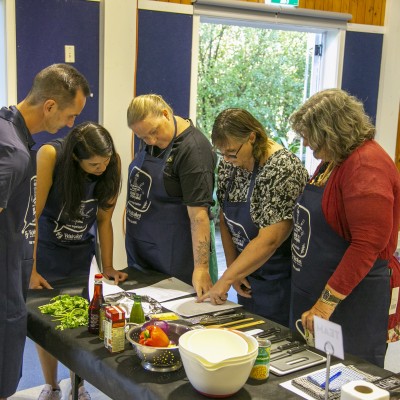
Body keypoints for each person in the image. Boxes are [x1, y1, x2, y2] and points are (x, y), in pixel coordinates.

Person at [289, 88, 400, 367]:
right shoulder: (334, 160)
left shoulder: (366, 165)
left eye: (309, 135)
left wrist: (324, 305)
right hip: (318, 290)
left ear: (331, 131)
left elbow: (367, 245)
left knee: (347, 374)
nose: (306, 143)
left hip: (353, 301)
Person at [0, 63, 90, 400]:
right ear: (49, 105)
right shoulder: (14, 153)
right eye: (70, 115)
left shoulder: (7, 130)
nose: (70, 125)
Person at [30, 122, 128, 400]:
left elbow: (104, 219)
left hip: (81, 253)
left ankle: (78, 384)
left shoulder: (111, 162)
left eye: (105, 162)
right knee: (47, 323)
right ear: (75, 157)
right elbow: (33, 216)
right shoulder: (51, 155)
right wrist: (31, 269)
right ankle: (51, 385)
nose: (102, 168)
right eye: (94, 164)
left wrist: (108, 266)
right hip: (47, 250)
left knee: (84, 321)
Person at [198, 108, 308, 326]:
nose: (226, 159)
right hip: (246, 276)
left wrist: (226, 278)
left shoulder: (283, 169)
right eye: (222, 154)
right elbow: (225, 221)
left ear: (251, 137)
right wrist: (235, 271)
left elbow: (270, 239)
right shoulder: (231, 164)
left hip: (279, 281)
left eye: (231, 152)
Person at [125, 94, 217, 296]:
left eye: (153, 132)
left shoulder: (194, 150)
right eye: (143, 137)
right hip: (141, 253)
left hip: (172, 258)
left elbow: (199, 216)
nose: (151, 141)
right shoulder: (150, 136)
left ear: (166, 114)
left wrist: (201, 268)